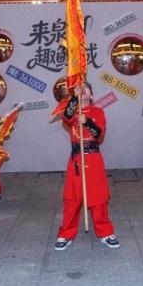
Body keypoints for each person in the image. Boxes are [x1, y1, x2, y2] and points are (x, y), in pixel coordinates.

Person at [55, 82, 118, 251]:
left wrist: (87, 122)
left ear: (92, 94)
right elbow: (66, 117)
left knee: (99, 197)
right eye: (80, 89)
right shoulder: (72, 110)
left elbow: (99, 133)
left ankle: (105, 232)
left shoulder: (98, 112)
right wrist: (74, 98)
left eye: (86, 88)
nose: (83, 90)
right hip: (76, 159)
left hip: (94, 158)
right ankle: (66, 234)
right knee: (72, 198)